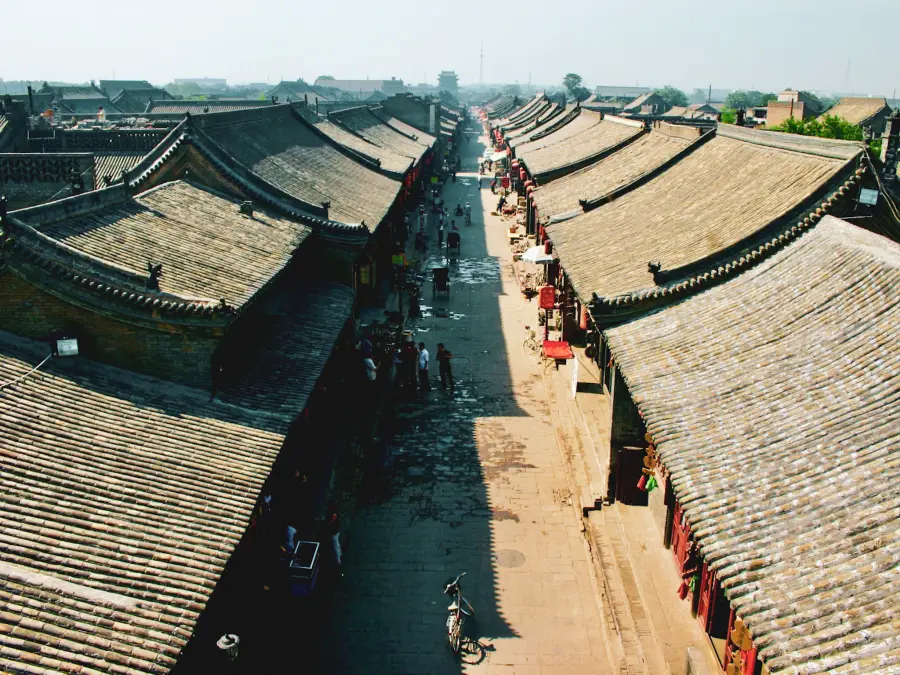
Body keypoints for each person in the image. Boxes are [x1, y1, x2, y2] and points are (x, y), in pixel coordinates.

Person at [327, 502, 342, 571]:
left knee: (335, 546)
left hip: (334, 532)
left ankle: (338, 560)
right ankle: (340, 553)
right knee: (337, 543)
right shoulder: (337, 513)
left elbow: (331, 522)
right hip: (337, 530)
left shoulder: (334, 515)